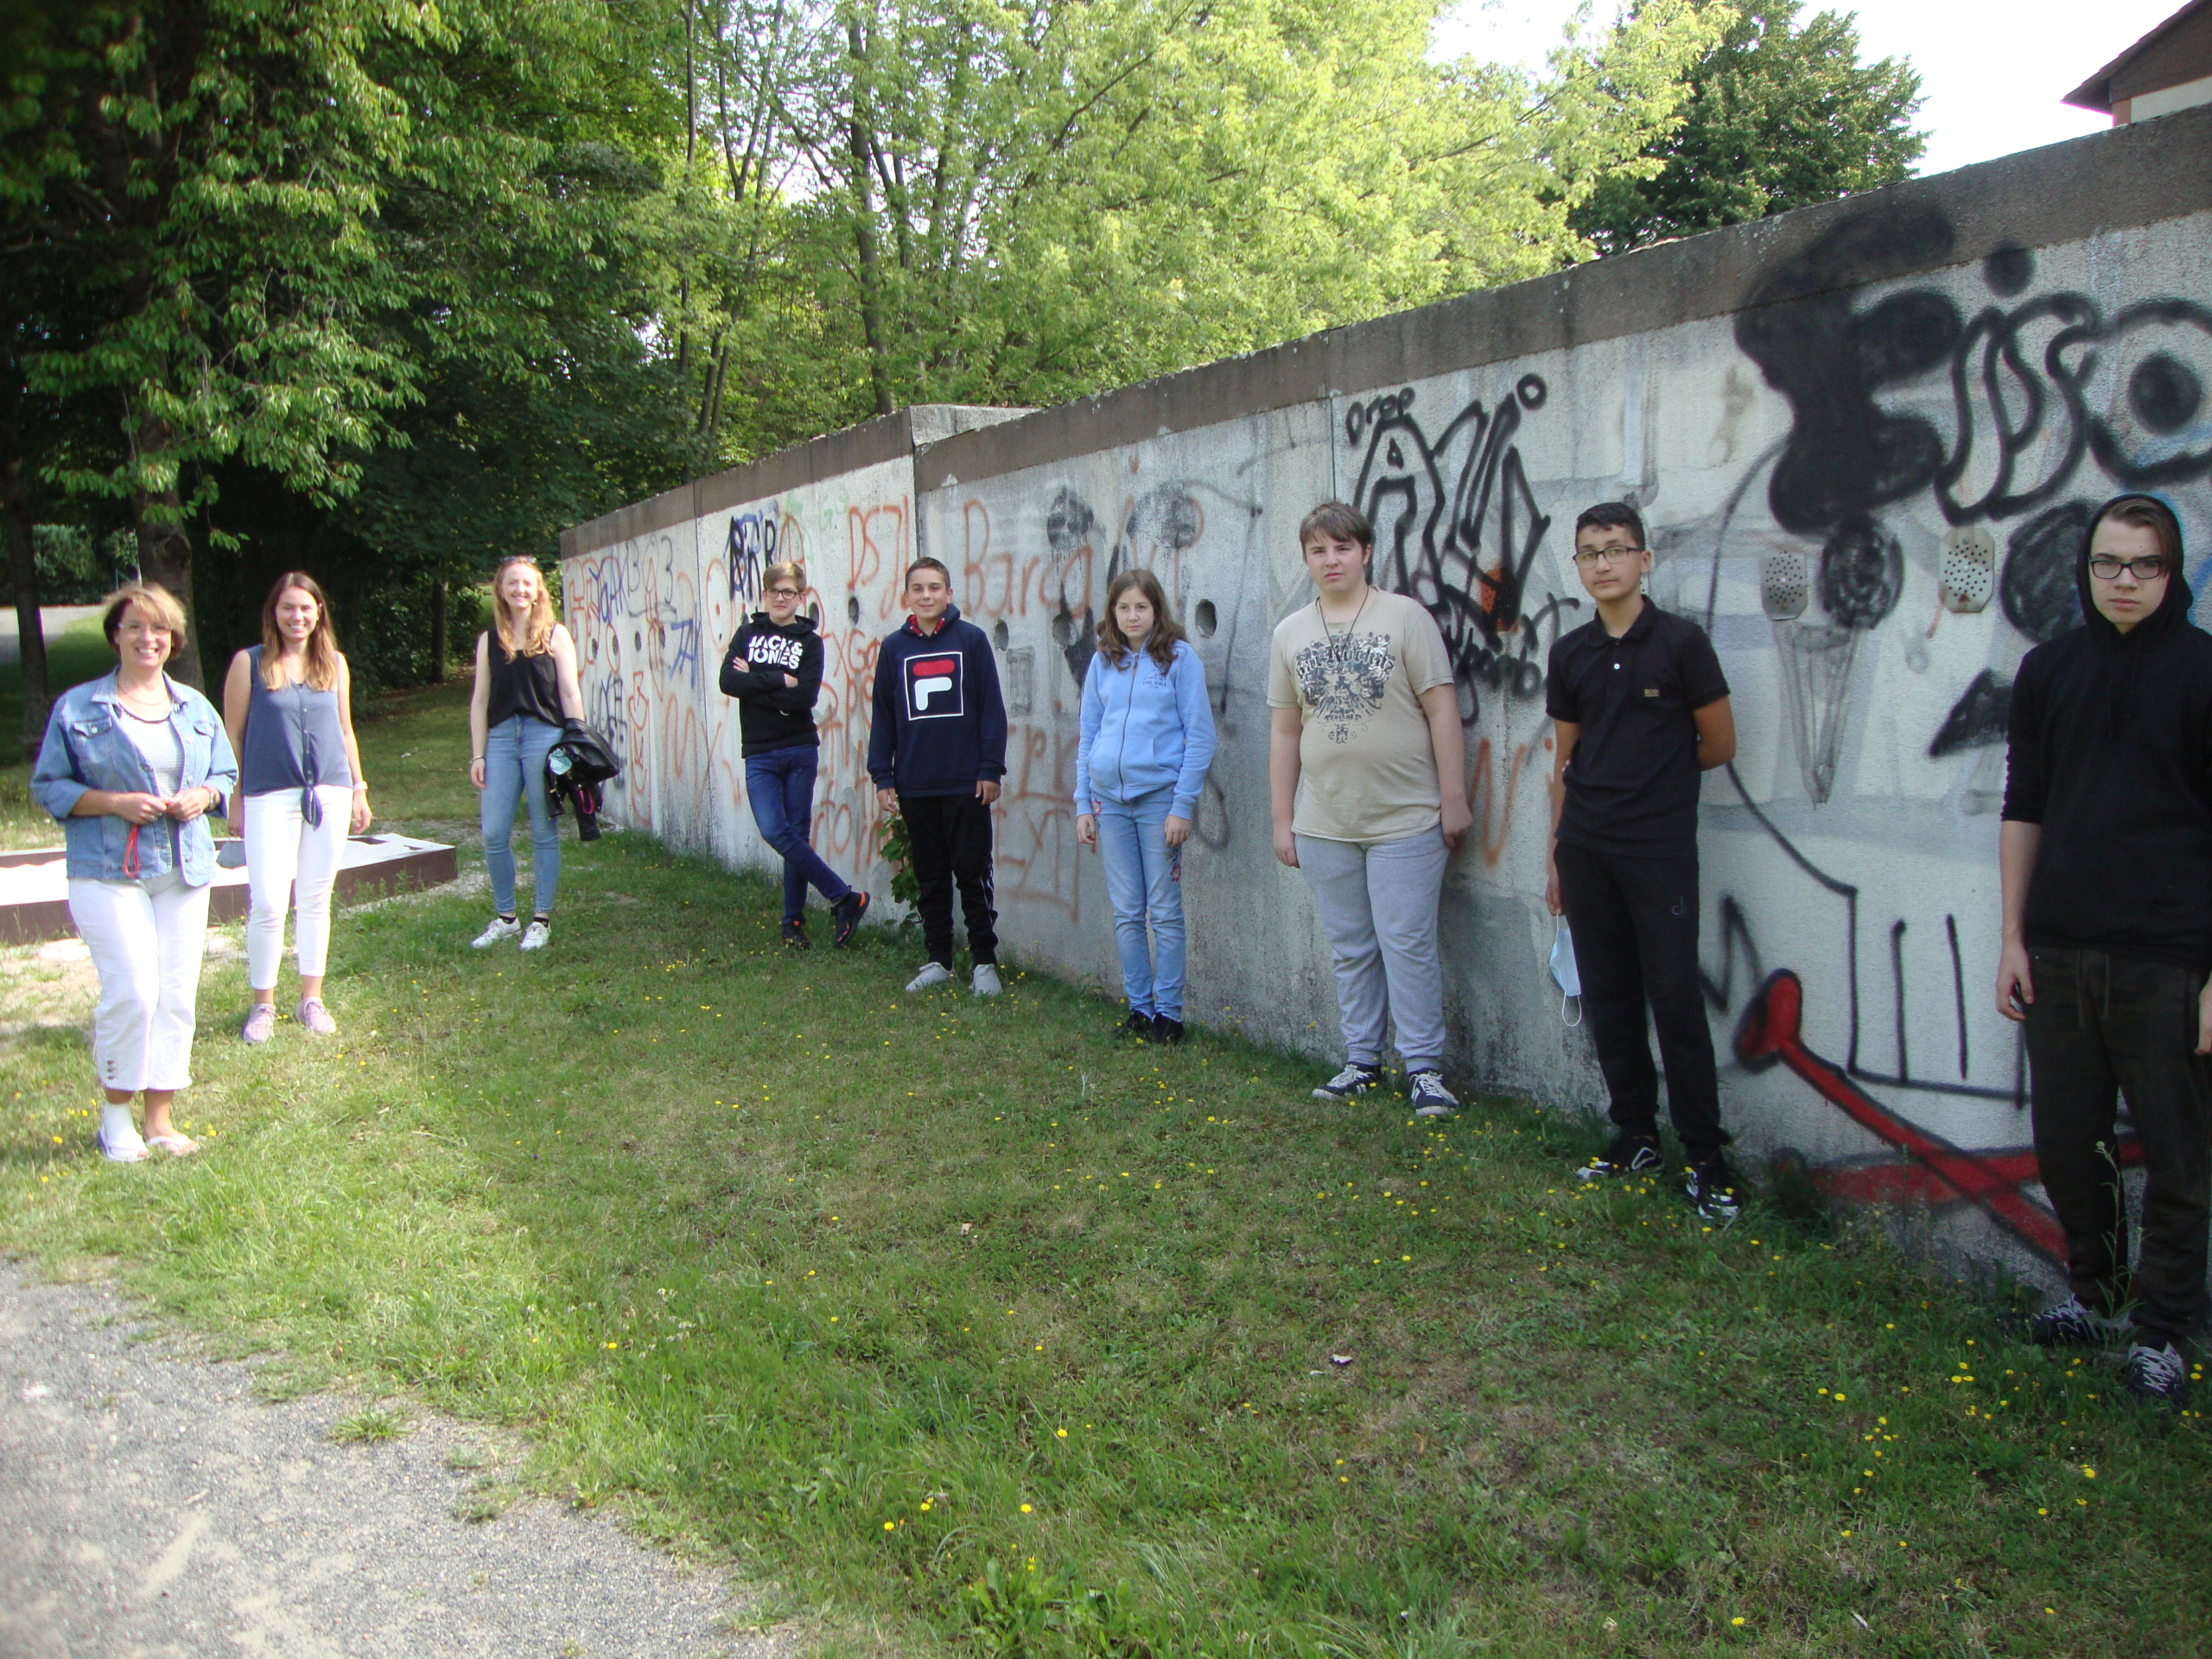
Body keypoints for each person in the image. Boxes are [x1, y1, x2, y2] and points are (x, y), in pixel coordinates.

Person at [1998, 493, 2210, 1409]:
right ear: (2083, 572)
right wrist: (2012, 936)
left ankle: (2161, 1333)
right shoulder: (2049, 670)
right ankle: (2095, 1296)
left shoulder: (2204, 672)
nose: (2123, 581)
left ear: (2173, 574)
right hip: (2058, 950)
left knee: (2177, 1156)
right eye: (2106, 564)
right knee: (2067, 1144)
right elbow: (2023, 806)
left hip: (2169, 958)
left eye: (2144, 565)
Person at [1542, 502, 1741, 1219]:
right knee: (1610, 997)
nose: (1603, 564)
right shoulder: (1570, 653)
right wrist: (1557, 852)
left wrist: (1655, 776)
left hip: (1657, 851)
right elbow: (1563, 759)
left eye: (1617, 550)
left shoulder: (1681, 644)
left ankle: (1708, 1159)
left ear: (1644, 559)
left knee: (1676, 1000)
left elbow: (1718, 745)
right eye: (1589, 552)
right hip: (1587, 846)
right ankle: (1634, 1134)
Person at [1268, 502, 1470, 1117]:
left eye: (1342, 548)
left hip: (1406, 818)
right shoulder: (1290, 633)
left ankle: (1425, 1069)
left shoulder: (1405, 618)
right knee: (1351, 946)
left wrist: (1454, 798)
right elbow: (1283, 732)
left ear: (1365, 553)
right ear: (1306, 558)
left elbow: (1441, 709)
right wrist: (1283, 819)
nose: (1331, 560)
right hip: (1325, 821)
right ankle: (1361, 1060)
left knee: (1406, 941)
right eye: (1319, 550)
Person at [31, 583, 238, 1161]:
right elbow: (49, 787)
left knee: (175, 994)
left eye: (160, 630)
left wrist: (203, 794)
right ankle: (115, 1118)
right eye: (135, 628)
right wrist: (114, 802)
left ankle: (161, 1120)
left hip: (184, 867)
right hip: (107, 870)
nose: (148, 638)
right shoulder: (79, 708)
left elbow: (225, 772)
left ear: (173, 641)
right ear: (115, 636)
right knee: (133, 992)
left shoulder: (194, 706)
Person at [222, 573, 372, 1040]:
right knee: (268, 901)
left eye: (306, 608)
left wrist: (359, 787)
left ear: (319, 612)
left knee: (314, 899)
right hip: (269, 793)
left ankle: (311, 998)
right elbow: (233, 735)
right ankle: (262, 1005)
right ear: (274, 612)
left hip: (329, 790)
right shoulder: (249, 664)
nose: (297, 617)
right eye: (288, 608)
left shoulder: (335, 664)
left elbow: (345, 729)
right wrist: (235, 798)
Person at [1075, 567, 1217, 1044]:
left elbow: (1200, 737)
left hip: (1159, 803)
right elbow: (1089, 736)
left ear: (1157, 610)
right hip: (1109, 803)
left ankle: (1169, 1016)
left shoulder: (1179, 660)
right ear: (1111, 613)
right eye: (1122, 607)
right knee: (1126, 910)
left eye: (1141, 606)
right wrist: (1083, 804)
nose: (1132, 616)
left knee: (1164, 909)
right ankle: (1139, 1008)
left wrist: (1182, 805)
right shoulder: (1103, 661)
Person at [868, 557, 1007, 997]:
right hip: (915, 783)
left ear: (949, 594)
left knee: (972, 871)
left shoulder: (972, 640)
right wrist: (882, 775)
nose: (926, 595)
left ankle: (984, 962)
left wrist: (990, 768)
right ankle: (938, 960)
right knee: (930, 876)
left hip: (966, 782)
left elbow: (992, 711)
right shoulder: (893, 648)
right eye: (917, 588)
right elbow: (884, 716)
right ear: (906, 596)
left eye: (934, 588)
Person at [719, 559, 869, 949]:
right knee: (775, 830)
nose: (781, 598)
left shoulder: (810, 641)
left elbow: (805, 696)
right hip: (759, 751)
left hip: (799, 748)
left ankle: (793, 923)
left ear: (801, 597)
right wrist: (775, 680)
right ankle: (843, 896)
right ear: (765, 594)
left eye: (789, 592)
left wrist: (754, 680)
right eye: (774, 591)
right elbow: (727, 681)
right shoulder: (748, 632)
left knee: (795, 835)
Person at [467, 556, 585, 950]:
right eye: (512, 583)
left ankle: (541, 919)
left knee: (542, 830)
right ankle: (505, 918)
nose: (520, 590)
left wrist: (577, 742)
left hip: (544, 735)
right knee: (494, 832)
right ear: (500, 589)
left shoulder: (555, 635)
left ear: (538, 592)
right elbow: (480, 700)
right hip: (500, 739)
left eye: (528, 584)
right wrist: (478, 754)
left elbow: (569, 692)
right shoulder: (489, 641)